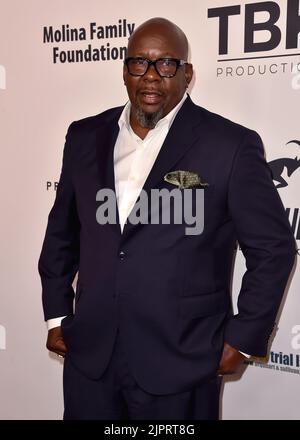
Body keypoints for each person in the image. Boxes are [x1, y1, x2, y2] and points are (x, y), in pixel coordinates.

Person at [38, 17, 295, 420]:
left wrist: (243, 339)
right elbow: (61, 235)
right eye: (139, 63)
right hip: (91, 359)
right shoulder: (84, 136)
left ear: (187, 74)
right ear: (125, 71)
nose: (151, 77)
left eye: (166, 64)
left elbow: (274, 250)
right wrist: (57, 314)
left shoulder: (230, 145)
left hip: (182, 361)